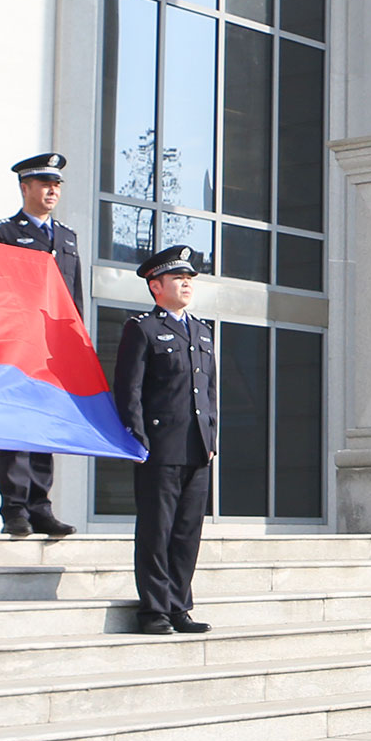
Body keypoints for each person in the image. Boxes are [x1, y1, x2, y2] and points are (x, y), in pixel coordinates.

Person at [110, 246, 220, 636]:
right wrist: (137, 439)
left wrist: (212, 438)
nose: (187, 283)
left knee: (188, 531)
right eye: (178, 278)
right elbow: (129, 391)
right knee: (157, 530)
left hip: (197, 448)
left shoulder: (202, 331)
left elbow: (209, 392)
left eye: (189, 277)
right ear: (156, 286)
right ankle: (154, 610)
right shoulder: (142, 329)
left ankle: (179, 606)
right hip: (159, 446)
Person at [0, 152, 85, 539]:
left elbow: (72, 298)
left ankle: (41, 507)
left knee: (45, 426)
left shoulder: (68, 238)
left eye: (56, 184)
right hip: (17, 343)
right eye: (44, 184)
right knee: (15, 425)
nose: (52, 190)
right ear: (25, 188)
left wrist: (77, 346)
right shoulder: (2, 233)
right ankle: (14, 509)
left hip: (54, 349)